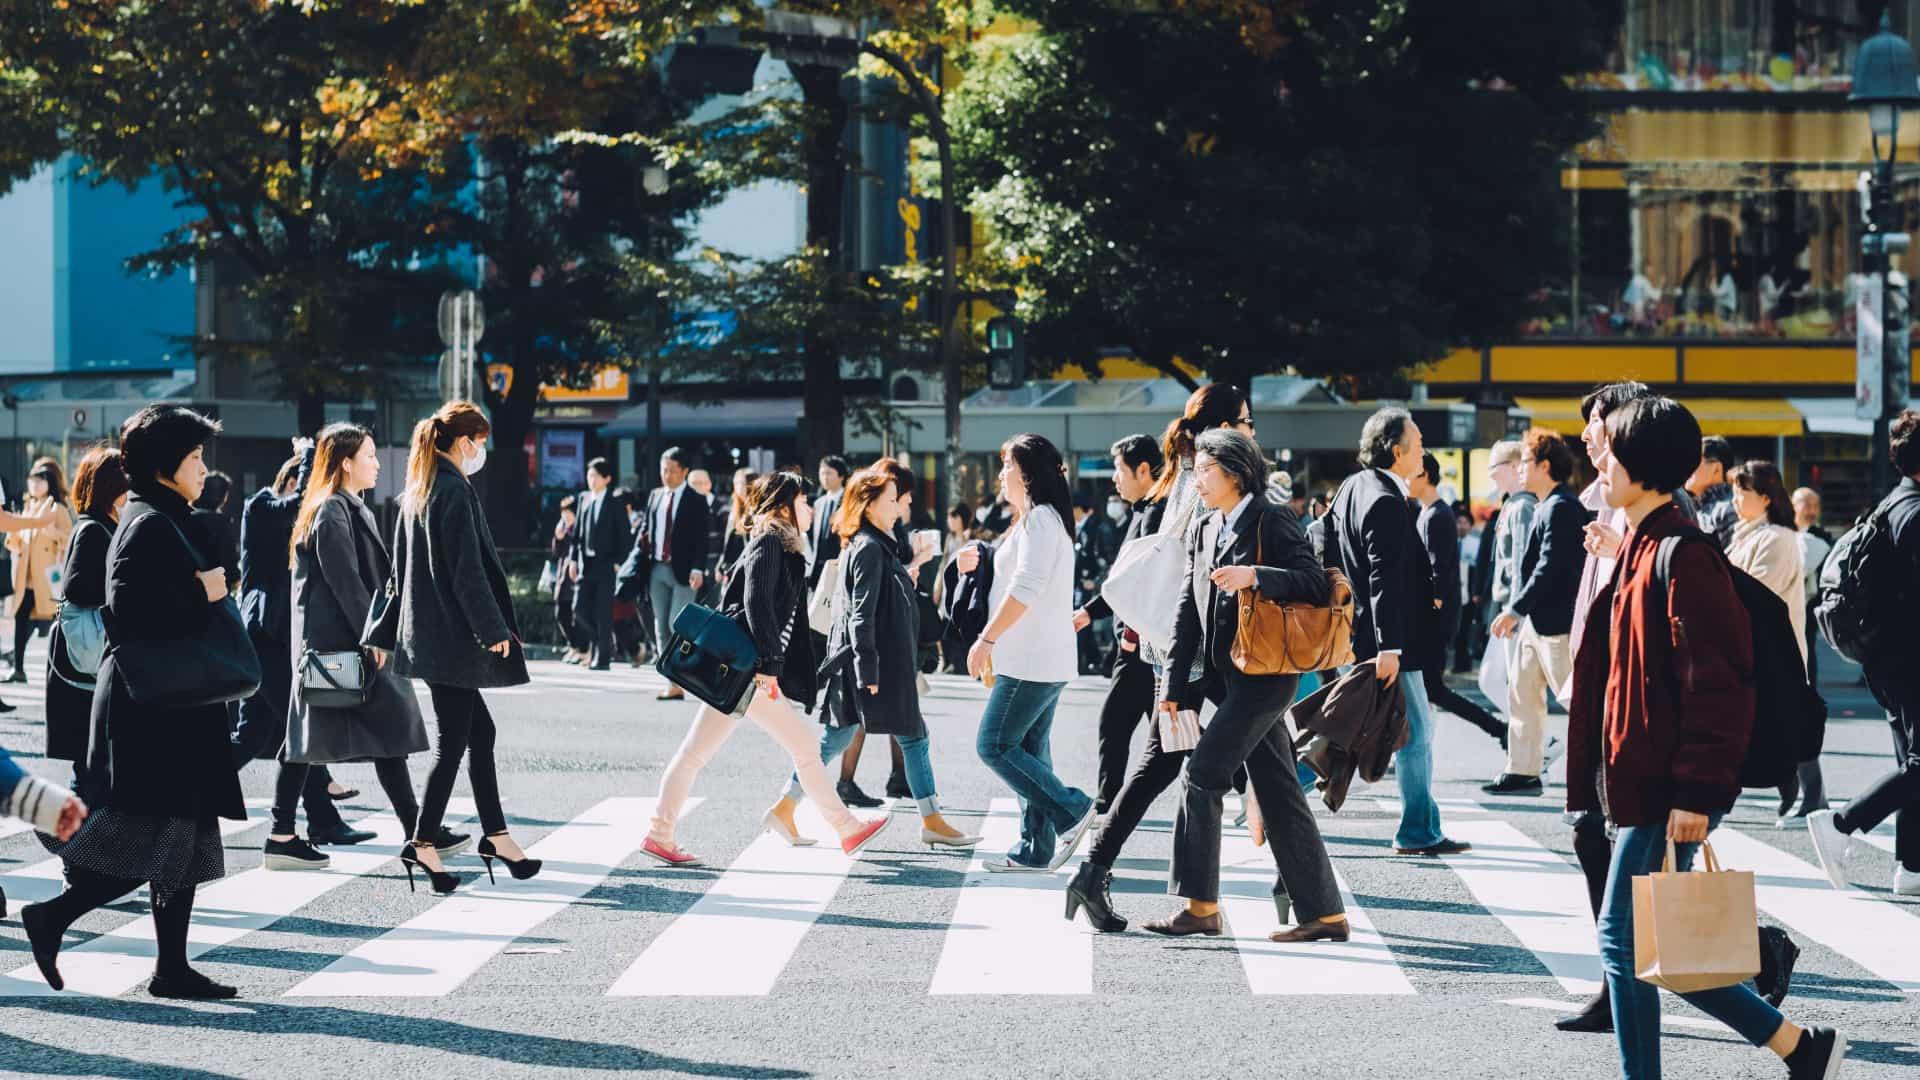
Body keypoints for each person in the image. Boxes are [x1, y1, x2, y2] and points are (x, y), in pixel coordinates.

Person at [1567, 395, 1847, 1080]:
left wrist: (1696, 790)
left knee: (1624, 941)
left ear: (1645, 467)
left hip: (1669, 785)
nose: (1599, 462)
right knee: (1655, 947)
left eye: (1612, 453)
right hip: (1642, 781)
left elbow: (1717, 683)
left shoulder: (1681, 555)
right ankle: (1800, 1049)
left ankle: (1792, 1050)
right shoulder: (1639, 544)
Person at [22, 404, 247, 1000]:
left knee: (181, 840)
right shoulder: (147, 523)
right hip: (153, 712)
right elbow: (129, 614)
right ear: (165, 464)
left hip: (170, 706)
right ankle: (56, 919)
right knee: (159, 841)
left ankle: (169, 966)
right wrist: (201, 591)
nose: (203, 467)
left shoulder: (166, 515)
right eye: (194, 457)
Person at [1132, 429, 1345, 942]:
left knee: (1203, 775)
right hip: (1228, 678)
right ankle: (1325, 914)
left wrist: (1256, 575)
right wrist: (1172, 687)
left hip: (1268, 675)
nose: (1197, 480)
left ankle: (1201, 905)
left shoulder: (1272, 519)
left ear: (1236, 472)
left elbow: (1315, 583)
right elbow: (1189, 611)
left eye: (1205, 471)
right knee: (1279, 791)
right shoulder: (1205, 526)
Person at [643, 471, 893, 866]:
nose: (809, 508)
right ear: (783, 505)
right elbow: (756, 603)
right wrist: (770, 665)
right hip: (751, 670)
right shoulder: (771, 540)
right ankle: (846, 828)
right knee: (805, 747)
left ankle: (660, 833)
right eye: (803, 501)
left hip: (744, 668)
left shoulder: (784, 543)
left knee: (695, 754)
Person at [369, 401, 537, 896]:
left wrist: (382, 635)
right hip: (455, 640)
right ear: (463, 442)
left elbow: (397, 579)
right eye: (479, 441)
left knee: (478, 733)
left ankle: (498, 836)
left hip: (430, 638)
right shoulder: (453, 492)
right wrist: (494, 630)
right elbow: (468, 574)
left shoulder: (416, 493)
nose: (480, 450)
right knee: (454, 742)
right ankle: (423, 843)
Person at [769, 469, 979, 854]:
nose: (905, 502)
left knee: (840, 738)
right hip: (875, 666)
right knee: (911, 737)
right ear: (869, 503)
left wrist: (908, 571)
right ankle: (932, 820)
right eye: (895, 496)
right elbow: (861, 615)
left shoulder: (875, 545)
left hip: (873, 664)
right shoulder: (868, 547)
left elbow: (875, 603)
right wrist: (869, 671)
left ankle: (785, 806)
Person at [275, 423, 448, 872]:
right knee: (309, 741)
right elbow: (346, 584)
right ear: (345, 462)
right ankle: (282, 835)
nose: (376, 463)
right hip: (340, 649)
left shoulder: (346, 508)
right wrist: (372, 636)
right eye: (369, 455)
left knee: (353, 737)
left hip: (342, 648)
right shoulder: (332, 511)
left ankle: (417, 831)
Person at [1323, 408, 1469, 856]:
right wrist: (1390, 645)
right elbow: (1384, 577)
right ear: (1397, 449)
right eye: (1419, 441)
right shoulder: (1386, 499)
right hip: (1393, 639)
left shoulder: (1352, 488)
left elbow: (1324, 543)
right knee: (1414, 732)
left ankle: (1424, 824)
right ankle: (1417, 831)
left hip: (1369, 633)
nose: (1424, 449)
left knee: (1381, 727)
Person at [967, 434, 1098, 872]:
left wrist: (986, 639)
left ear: (1026, 474)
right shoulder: (1033, 520)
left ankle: (1073, 809)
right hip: (1037, 657)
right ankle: (1035, 848)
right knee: (1030, 751)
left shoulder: (1042, 520)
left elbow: (1026, 587)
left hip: (1032, 659)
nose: (1001, 474)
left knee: (994, 745)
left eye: (1007, 465)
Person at [1809, 408, 1920, 898]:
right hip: (1909, 656)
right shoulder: (1916, 514)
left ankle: (1912, 867)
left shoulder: (1894, 504)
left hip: (1889, 655)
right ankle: (1841, 823)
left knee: (1914, 761)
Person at [229, 444, 364, 843]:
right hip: (266, 637)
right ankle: (314, 818)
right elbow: (303, 504)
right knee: (306, 723)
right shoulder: (262, 508)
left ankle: (188, 794)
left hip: (284, 637)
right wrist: (310, 457)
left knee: (253, 735)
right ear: (291, 481)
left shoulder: (293, 520)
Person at [1486, 429, 1587, 796]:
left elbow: (1549, 567)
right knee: (1522, 694)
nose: (1521, 468)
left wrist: (1515, 610)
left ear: (1545, 466)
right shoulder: (1549, 504)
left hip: (1557, 623)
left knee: (1575, 700)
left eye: (1526, 461)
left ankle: (1599, 767)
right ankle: (1523, 769)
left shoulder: (1561, 507)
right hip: (1540, 622)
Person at [1073, 433, 1167, 814]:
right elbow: (1125, 578)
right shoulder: (1143, 510)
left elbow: (1148, 578)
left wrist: (1131, 631)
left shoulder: (1155, 513)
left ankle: (1104, 807)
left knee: (1115, 726)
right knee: (1171, 735)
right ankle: (1245, 776)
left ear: (1143, 470)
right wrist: (1090, 612)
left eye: (1118, 470)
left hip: (1140, 643)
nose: (1114, 480)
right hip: (1139, 642)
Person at [1725, 461, 1819, 825]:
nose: (1735, 499)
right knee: (1777, 722)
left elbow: (1755, 593)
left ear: (1764, 498)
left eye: (1742, 492)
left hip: (1775, 648)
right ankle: (1793, 789)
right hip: (1758, 645)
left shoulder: (1777, 538)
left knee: (1789, 722)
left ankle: (1811, 797)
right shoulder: (1747, 533)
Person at [44, 448, 129, 791]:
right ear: (110, 486)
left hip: (89, 661)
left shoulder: (105, 525)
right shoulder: (94, 529)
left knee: (96, 766)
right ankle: (79, 840)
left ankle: (85, 837)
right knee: (92, 769)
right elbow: (77, 588)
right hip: (88, 656)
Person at [1409, 453, 1505, 745]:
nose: (1404, 480)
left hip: (1435, 621)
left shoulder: (1438, 515)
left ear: (1423, 474)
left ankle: (1499, 730)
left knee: (1431, 690)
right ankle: (1498, 730)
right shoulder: (1428, 512)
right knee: (1429, 690)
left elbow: (1439, 571)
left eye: (1408, 474)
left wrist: (1431, 610)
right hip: (1435, 619)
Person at [637, 447, 707, 702]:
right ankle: (673, 681)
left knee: (677, 624)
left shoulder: (695, 499)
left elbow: (702, 538)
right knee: (660, 626)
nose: (667, 475)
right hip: (656, 567)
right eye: (663, 469)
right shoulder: (655, 496)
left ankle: (689, 671)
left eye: (672, 471)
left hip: (686, 571)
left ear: (684, 472)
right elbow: (647, 528)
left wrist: (699, 568)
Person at [8, 457, 74, 684]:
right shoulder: (28, 507)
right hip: (27, 577)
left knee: (58, 623)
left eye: (41, 479)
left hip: (48, 578)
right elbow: (18, 541)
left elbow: (69, 538)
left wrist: (50, 532)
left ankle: (64, 669)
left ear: (50, 482)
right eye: (32, 479)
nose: (35, 484)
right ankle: (18, 667)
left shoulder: (58, 509)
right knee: (21, 617)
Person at [573, 457, 631, 671]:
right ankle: (598, 643)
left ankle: (603, 657)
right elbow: (577, 534)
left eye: (596, 476)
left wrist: (618, 563)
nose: (591, 480)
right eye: (589, 475)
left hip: (606, 564)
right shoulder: (584, 499)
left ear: (607, 478)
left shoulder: (615, 503)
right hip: (585, 564)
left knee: (603, 613)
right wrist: (572, 559)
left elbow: (626, 537)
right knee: (579, 609)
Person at [1791, 487, 1832, 693]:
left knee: (1806, 649)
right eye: (1806, 504)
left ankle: (1808, 691)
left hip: (1808, 604)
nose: (1811, 510)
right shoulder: (1784, 531)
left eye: (1815, 506)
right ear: (1794, 505)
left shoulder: (1822, 537)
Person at [550, 495, 588, 665]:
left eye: (568, 512)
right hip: (563, 574)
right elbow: (556, 553)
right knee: (561, 612)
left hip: (575, 575)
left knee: (576, 614)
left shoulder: (579, 528)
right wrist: (558, 538)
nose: (565, 516)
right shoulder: (563, 528)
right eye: (563, 512)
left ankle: (582, 648)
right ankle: (574, 645)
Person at [1685, 435, 1738, 549]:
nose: (1686, 466)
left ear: (1716, 469)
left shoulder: (1729, 509)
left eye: (1694, 460)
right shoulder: (1696, 508)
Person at [715, 466, 759, 585]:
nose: (737, 486)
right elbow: (728, 542)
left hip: (751, 569)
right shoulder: (735, 509)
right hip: (733, 568)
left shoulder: (758, 511)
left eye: (741, 482)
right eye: (736, 482)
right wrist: (721, 565)